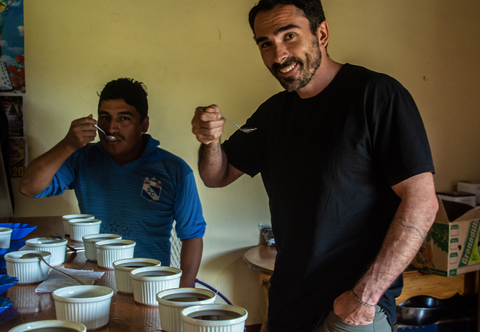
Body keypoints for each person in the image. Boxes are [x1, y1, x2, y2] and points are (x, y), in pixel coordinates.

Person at [191, 0, 438, 331]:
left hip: (348, 310)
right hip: (287, 304)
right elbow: (216, 176)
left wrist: (364, 297)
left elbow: (422, 201)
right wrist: (209, 142)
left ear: (321, 33)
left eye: (289, 36)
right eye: (266, 43)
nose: (278, 55)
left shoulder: (375, 95)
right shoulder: (272, 114)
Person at [20, 78, 206, 287]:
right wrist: (68, 144)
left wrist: (184, 292)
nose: (111, 128)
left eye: (124, 118)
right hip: (94, 282)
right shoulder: (82, 157)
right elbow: (29, 187)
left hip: (150, 284)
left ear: (144, 124)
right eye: (105, 117)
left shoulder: (175, 170)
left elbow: (192, 235)